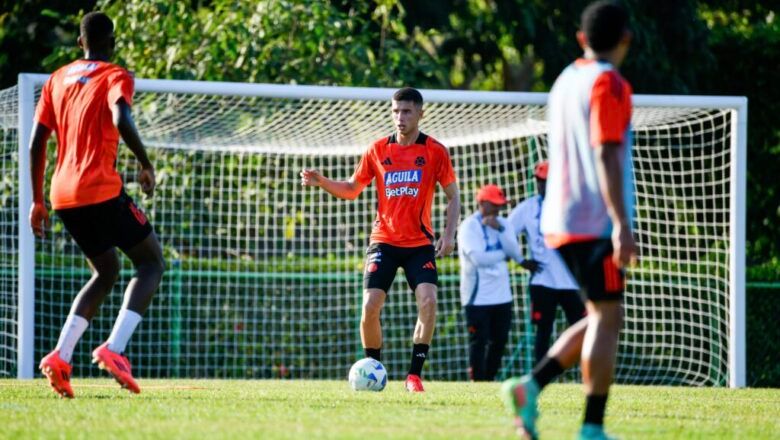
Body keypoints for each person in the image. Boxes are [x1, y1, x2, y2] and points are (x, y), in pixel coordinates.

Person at [500, 2, 637, 439]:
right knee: (608, 319)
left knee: (602, 315)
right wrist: (620, 222)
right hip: (592, 221)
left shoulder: (564, 81)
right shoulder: (609, 83)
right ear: (626, 39)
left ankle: (530, 387)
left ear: (581, 39)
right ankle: (592, 428)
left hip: (558, 219)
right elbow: (606, 152)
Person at [30, 11, 165, 398]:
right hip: (99, 188)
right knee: (151, 262)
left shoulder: (57, 79)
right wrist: (144, 162)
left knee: (105, 270)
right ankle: (115, 349)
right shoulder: (115, 75)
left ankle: (60, 355)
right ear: (113, 43)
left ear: (79, 43)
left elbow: (36, 142)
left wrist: (37, 202)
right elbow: (121, 115)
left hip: (61, 196)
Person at [301, 87, 461, 392]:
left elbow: (453, 196)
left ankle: (414, 375)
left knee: (428, 301)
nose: (400, 117)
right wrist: (321, 181)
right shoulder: (377, 150)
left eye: (407, 111)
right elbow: (351, 189)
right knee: (369, 307)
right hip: (384, 242)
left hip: (419, 244)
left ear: (420, 114)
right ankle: (372, 368)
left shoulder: (435, 151)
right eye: (396, 111)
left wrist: (449, 233)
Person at [507, 161, 585, 363]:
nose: (542, 185)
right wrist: (521, 260)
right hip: (543, 281)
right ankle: (540, 379)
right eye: (539, 181)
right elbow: (506, 233)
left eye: (546, 181)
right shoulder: (528, 208)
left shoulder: (574, 205)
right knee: (543, 331)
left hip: (572, 283)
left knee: (584, 329)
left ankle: (588, 375)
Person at [458, 184, 534, 381]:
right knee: (478, 341)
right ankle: (477, 381)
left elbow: (515, 253)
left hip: (502, 297)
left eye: (500, 205)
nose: (498, 209)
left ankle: (489, 380)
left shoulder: (504, 224)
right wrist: (503, 256)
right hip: (476, 298)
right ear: (482, 203)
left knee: (499, 341)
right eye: (494, 205)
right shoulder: (468, 226)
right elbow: (478, 259)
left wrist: (499, 229)